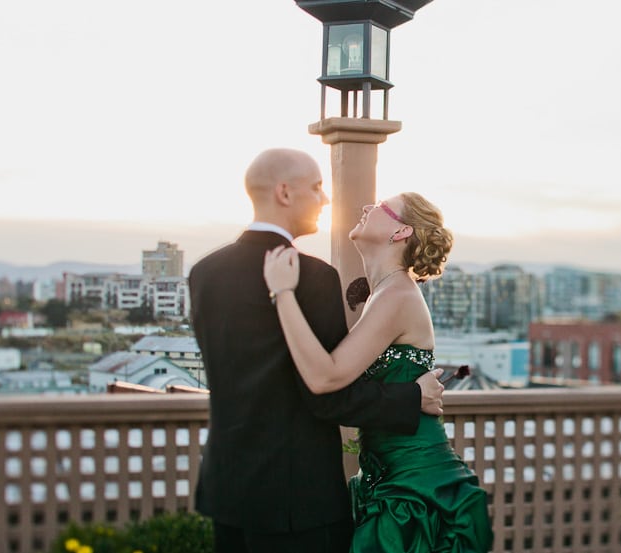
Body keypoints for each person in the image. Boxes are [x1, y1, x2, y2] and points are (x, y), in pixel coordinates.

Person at [188, 149, 446, 553]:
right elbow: (324, 394)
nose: (325, 199)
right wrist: (411, 397)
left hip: (228, 488)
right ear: (285, 193)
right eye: (316, 188)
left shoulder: (205, 273)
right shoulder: (313, 278)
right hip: (298, 499)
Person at [263, 192, 494, 552]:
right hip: (382, 478)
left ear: (401, 232)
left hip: (415, 489)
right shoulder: (384, 293)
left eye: (380, 207)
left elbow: (327, 377)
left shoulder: (397, 296)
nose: (366, 207)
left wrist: (283, 293)